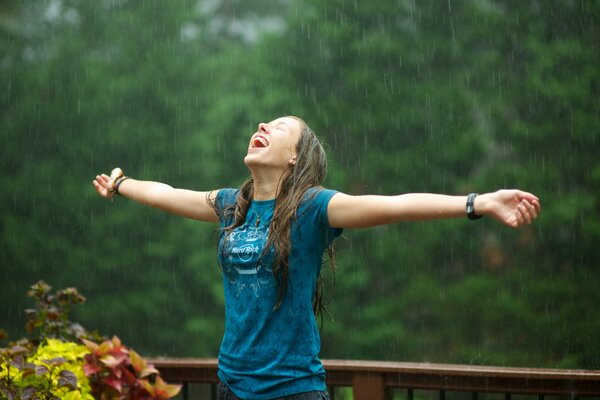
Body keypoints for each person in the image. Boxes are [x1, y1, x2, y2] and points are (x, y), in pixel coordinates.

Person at [92, 116, 541, 400]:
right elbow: (169, 194)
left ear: (294, 158)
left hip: (291, 389)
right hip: (232, 383)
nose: (264, 127)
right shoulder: (234, 204)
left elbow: (397, 203)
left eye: (280, 128)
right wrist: (120, 185)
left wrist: (477, 203)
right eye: (263, 123)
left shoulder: (314, 208)